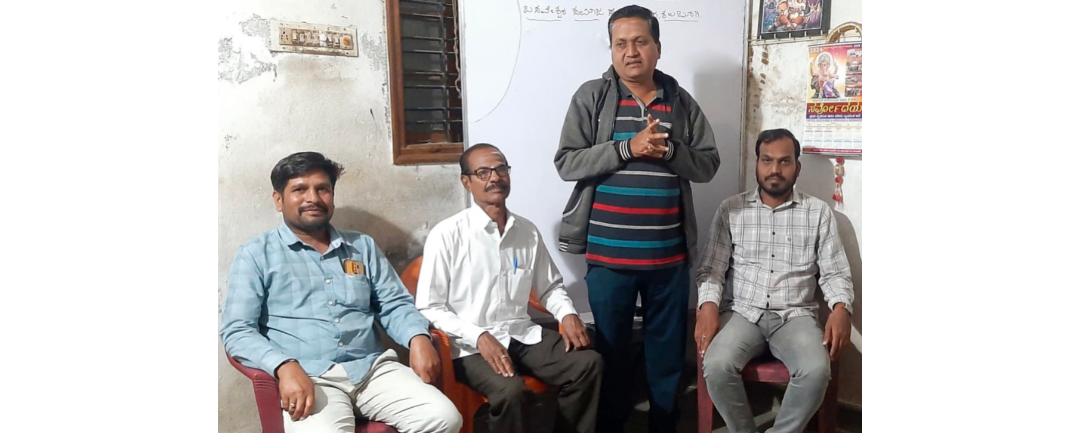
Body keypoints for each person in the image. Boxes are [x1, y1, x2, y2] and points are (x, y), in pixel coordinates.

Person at [553, 5, 721, 432]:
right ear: (611, 49)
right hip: (609, 259)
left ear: (657, 48)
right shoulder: (592, 97)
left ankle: (664, 424)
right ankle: (612, 425)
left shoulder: (680, 102)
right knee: (610, 353)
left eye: (640, 42)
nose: (631, 52)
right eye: (621, 43)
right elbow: (567, 162)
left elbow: (708, 165)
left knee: (667, 355)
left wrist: (670, 151)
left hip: (668, 259)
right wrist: (628, 147)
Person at [220, 152, 462, 433]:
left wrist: (417, 337)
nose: (313, 198)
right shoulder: (255, 254)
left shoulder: (362, 246)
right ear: (278, 200)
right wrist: (283, 365)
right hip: (308, 376)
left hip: (371, 370)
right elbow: (237, 330)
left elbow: (393, 303)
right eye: (300, 189)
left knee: (444, 418)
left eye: (322, 189)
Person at [416, 143, 603, 433]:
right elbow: (429, 306)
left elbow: (550, 286)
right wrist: (479, 336)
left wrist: (567, 313)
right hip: (471, 347)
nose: (495, 177)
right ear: (466, 182)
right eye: (483, 172)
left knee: (588, 363)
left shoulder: (526, 231)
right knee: (511, 392)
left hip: (521, 335)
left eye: (500, 169)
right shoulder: (447, 234)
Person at [695, 129, 854, 433]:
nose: (775, 169)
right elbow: (711, 270)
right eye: (767, 160)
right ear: (756, 163)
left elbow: (834, 272)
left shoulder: (818, 213)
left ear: (797, 167)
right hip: (743, 313)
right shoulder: (731, 209)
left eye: (784, 161)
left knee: (816, 370)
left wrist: (841, 308)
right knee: (716, 365)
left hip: (795, 316)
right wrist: (708, 305)